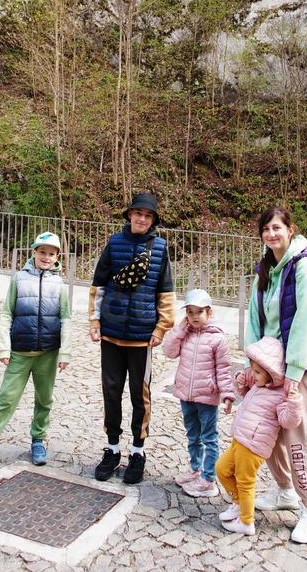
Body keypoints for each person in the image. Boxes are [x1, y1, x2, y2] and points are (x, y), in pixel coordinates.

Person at [242, 205, 307, 543]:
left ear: (290, 229)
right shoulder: (266, 269)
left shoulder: (306, 269)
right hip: (269, 368)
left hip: (302, 369)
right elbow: (255, 319)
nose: (271, 234)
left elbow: (306, 325)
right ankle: (285, 490)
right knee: (265, 433)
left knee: (299, 438)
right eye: (266, 229)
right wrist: (251, 365)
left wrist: (294, 374)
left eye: (277, 228)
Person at [0, 231, 70, 472]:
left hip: (48, 353)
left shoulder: (59, 284)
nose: (46, 257)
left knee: (45, 400)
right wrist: (4, 346)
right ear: (34, 252)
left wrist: (66, 353)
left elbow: (66, 318)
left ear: (57, 257)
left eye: (51, 253)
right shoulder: (19, 279)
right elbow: (6, 313)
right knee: (6, 399)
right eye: (42, 252)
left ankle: (38, 440)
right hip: (20, 352)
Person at [89, 191, 175, 485]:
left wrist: (162, 327)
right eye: (138, 213)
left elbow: (165, 291)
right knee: (111, 392)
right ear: (129, 215)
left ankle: (137, 452)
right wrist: (94, 321)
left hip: (142, 337)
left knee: (141, 396)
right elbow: (98, 283)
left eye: (148, 215)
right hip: (111, 334)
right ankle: (112, 448)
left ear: (153, 220)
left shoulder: (160, 249)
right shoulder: (114, 243)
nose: (142, 218)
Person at [215, 335, 303, 536]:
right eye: (252, 370)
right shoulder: (258, 386)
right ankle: (239, 504)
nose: (253, 375)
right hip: (240, 439)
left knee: (245, 481)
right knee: (221, 469)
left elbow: (288, 421)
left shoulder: (280, 394)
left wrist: (294, 403)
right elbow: (248, 400)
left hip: (254, 446)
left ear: (271, 373)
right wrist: (241, 384)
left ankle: (246, 522)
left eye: (257, 372)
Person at [162, 288, 235, 498]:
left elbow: (223, 368)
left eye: (199, 312)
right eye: (190, 312)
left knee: (209, 438)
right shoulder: (185, 334)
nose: (194, 316)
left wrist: (227, 394)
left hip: (207, 397)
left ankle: (208, 479)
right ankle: (195, 469)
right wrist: (179, 330)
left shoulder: (217, 339)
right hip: (186, 394)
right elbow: (169, 352)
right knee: (192, 435)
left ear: (209, 313)